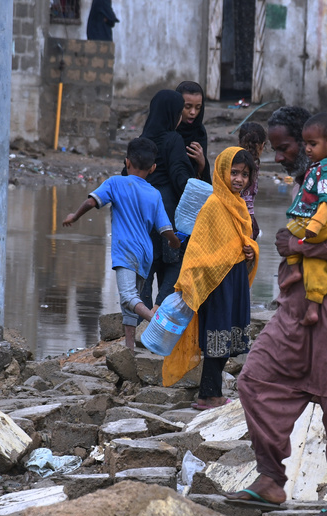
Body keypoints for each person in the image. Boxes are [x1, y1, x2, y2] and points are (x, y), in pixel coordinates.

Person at [222, 106, 327, 516]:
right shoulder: (307, 184)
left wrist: (300, 248)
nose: (278, 156)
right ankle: (270, 479)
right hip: (293, 309)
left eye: (285, 148)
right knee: (254, 378)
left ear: (313, 143)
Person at [161, 147, 259, 409]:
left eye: (245, 175)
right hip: (217, 284)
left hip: (234, 278)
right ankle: (209, 395)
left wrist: (250, 250)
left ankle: (209, 392)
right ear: (221, 172)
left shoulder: (238, 205)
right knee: (217, 336)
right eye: (234, 173)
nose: (239, 179)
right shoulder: (214, 205)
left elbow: (240, 242)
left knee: (226, 336)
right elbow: (199, 248)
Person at [63, 138, 180, 350]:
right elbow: (165, 228)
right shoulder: (154, 194)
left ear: (127, 162)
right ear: (153, 168)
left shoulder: (115, 183)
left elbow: (92, 201)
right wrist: (174, 242)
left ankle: (158, 322)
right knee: (129, 305)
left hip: (125, 251)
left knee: (128, 297)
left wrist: (75, 216)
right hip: (145, 255)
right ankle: (129, 350)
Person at [280, 112, 327, 327]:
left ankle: (294, 270)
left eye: (312, 144)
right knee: (318, 263)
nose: (307, 150)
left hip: (324, 223)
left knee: (289, 229)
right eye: (305, 144)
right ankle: (313, 307)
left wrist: (315, 225)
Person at [138, 90, 195, 305]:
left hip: (142, 213)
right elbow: (181, 178)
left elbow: (127, 176)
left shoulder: (140, 141)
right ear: (172, 114)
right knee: (173, 263)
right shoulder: (173, 139)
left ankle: (142, 317)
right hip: (167, 210)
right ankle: (161, 312)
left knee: (146, 266)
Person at [175, 81, 211, 184]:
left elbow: (200, 176)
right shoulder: (169, 129)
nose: (193, 112)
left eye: (198, 107)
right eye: (187, 107)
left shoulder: (200, 132)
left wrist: (202, 163)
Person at [238, 121, 267, 240]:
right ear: (262, 146)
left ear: (239, 143)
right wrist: (249, 225)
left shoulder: (232, 163)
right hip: (242, 217)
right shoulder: (250, 169)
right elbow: (247, 199)